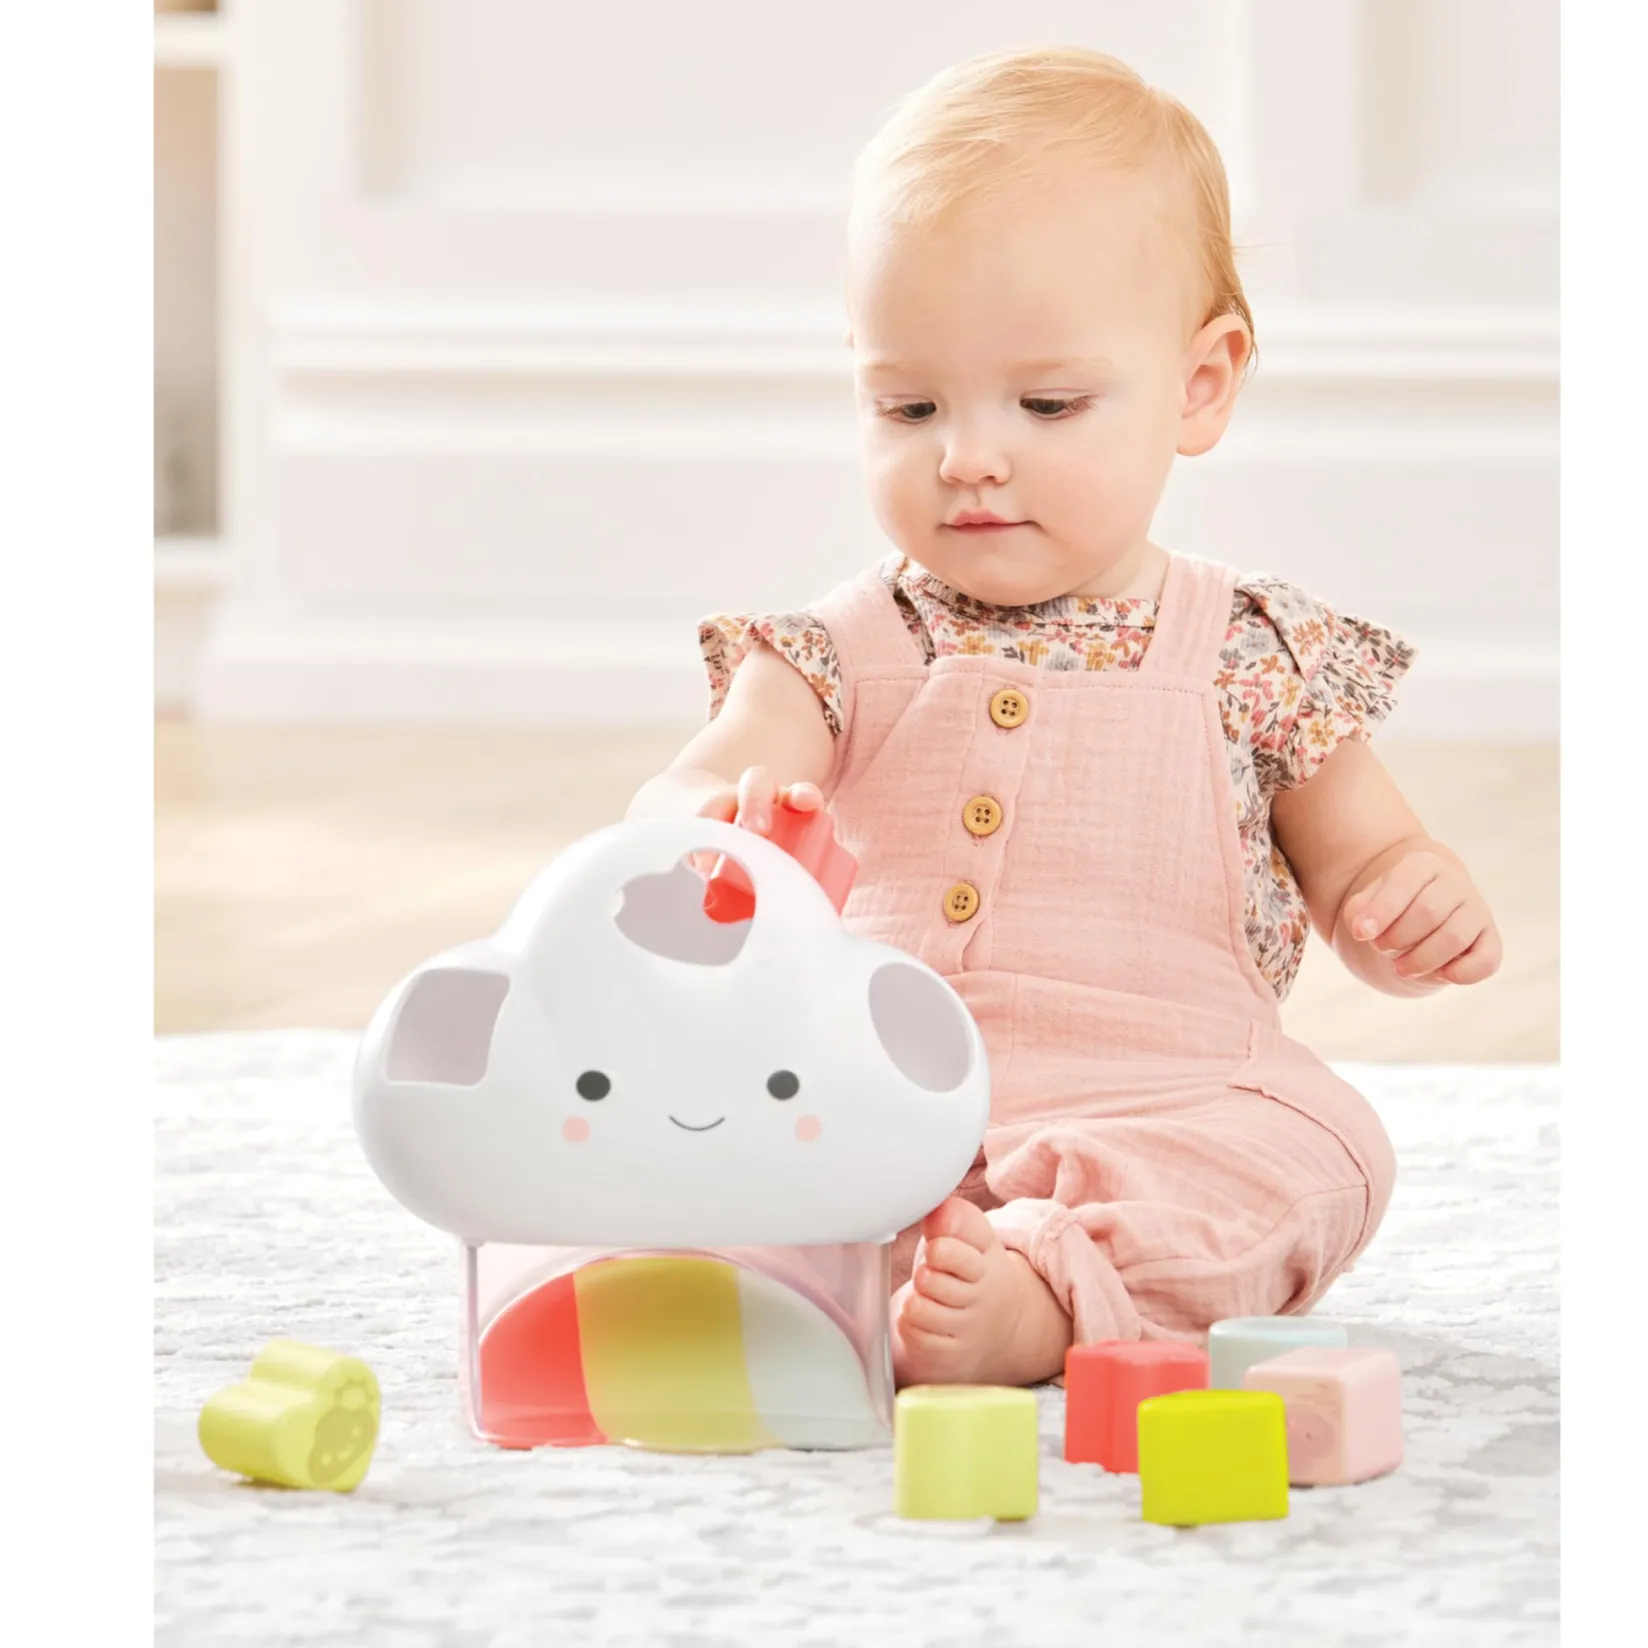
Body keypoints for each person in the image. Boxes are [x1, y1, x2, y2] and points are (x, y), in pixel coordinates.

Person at [628, 46, 1502, 1388]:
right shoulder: (836, 652)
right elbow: (688, 793)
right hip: (864, 1095)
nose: (967, 455)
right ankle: (868, 1266)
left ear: (1201, 383)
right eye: (907, 404)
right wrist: (714, 830)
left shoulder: (1253, 653)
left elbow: (1369, 864)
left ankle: (1044, 1285)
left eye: (1045, 405)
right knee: (676, 1125)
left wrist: (1410, 908)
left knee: (1321, 1153)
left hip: (1161, 1100)